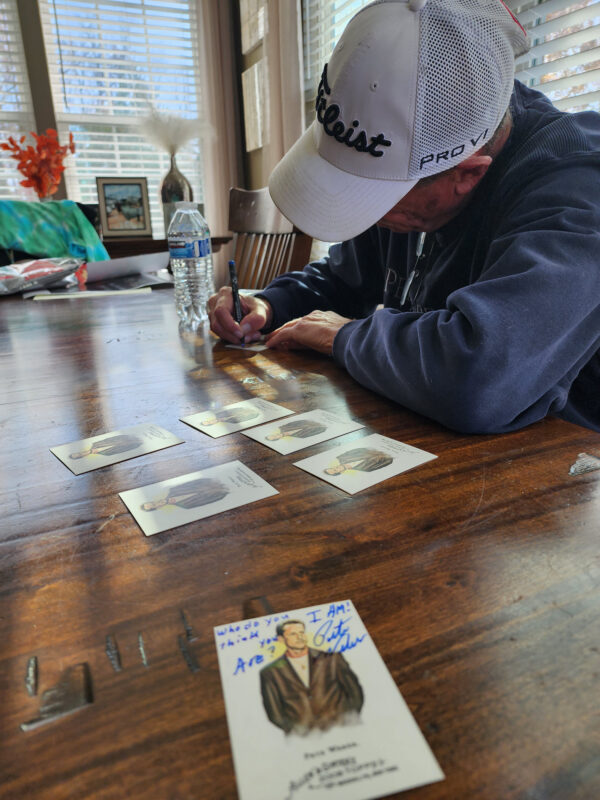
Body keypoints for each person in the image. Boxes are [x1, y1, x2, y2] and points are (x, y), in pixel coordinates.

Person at [209, 0, 600, 435]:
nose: (369, 218)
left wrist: (343, 337)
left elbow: (479, 377)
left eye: (376, 200)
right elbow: (346, 277)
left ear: (467, 174)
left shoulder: (578, 185)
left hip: (568, 467)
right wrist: (270, 303)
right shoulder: (412, 170)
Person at [260, 620, 363, 735]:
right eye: (293, 634)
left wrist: (347, 720)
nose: (300, 637)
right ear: (281, 640)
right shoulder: (270, 672)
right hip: (302, 738)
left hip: (344, 729)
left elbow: (355, 693)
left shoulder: (332, 658)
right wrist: (297, 730)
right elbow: (274, 714)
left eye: (302, 632)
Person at [141, 477, 228, 511]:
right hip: (223, 492)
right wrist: (223, 494)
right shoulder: (186, 506)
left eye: (152, 503)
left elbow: (195, 481)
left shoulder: (174, 490)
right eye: (154, 506)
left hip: (216, 480)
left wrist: (211, 480)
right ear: (158, 508)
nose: (156, 504)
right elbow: (208, 501)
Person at [324, 447, 393, 475]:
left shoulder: (342, 457)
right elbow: (389, 461)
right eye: (335, 470)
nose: (335, 468)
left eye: (332, 468)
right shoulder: (366, 469)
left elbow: (361, 449)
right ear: (341, 472)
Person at [70, 434, 143, 459]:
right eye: (80, 456)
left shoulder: (96, 444)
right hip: (135, 444)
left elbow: (113, 438)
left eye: (79, 453)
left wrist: (131, 438)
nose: (82, 454)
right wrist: (136, 444)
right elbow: (123, 450)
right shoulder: (106, 454)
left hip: (131, 438)